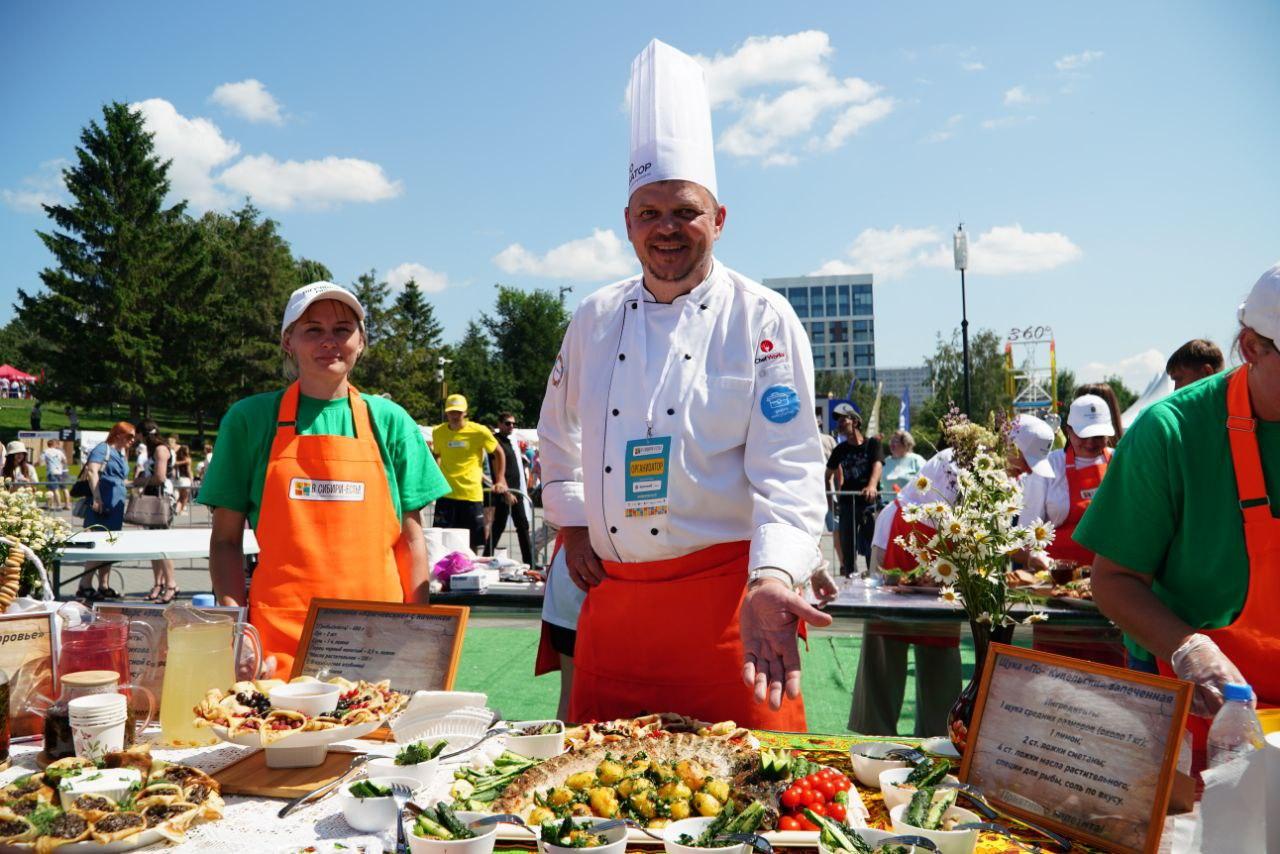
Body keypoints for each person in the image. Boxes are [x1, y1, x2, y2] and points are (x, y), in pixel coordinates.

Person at [537, 40, 829, 730]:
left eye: (686, 212)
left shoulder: (762, 317)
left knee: (740, 812)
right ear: (628, 224)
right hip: (614, 606)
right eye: (650, 213)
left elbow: (790, 464)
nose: (667, 229)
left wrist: (776, 576)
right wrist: (572, 520)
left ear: (719, 219)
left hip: (729, 609)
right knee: (599, 808)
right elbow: (558, 428)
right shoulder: (594, 317)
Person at [1078, 262, 1280, 774]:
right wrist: (1189, 648)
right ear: (1253, 347)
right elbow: (1114, 579)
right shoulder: (1171, 432)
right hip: (1203, 708)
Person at [201, 282, 449, 676]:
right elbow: (226, 541)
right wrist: (236, 628)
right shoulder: (249, 420)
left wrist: (418, 627)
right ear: (288, 341)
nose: (329, 341)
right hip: (280, 639)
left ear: (361, 341)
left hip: (379, 637)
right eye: (312, 329)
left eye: (342, 329)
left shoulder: (390, 421)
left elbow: (411, 538)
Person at [431, 395, 507, 551]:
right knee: (442, 542)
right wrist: (437, 477)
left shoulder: (479, 431)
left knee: (472, 544)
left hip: (470, 495)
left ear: (465, 412)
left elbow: (499, 453)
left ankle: (470, 573)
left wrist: (500, 479)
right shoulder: (438, 432)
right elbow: (437, 455)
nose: (454, 415)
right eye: (451, 412)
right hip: (446, 495)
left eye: (458, 412)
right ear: (446, 413)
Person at [79, 423, 136, 600]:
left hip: (115, 507)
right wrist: (97, 497)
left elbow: (120, 479)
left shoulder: (121, 453)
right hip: (102, 505)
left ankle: (104, 584)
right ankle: (85, 585)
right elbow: (92, 471)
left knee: (110, 546)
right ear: (118, 435)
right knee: (98, 545)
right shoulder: (103, 449)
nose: (132, 440)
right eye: (130, 436)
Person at [825, 409, 882, 577]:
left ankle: (874, 580)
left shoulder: (873, 444)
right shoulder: (840, 449)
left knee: (872, 545)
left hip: (869, 503)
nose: (839, 424)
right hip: (847, 504)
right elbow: (828, 475)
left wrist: (872, 485)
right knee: (848, 549)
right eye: (838, 421)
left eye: (843, 420)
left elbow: (877, 465)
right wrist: (831, 502)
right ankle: (850, 583)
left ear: (855, 422)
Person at [136, 420, 178, 603]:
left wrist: (137, 482)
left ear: (143, 434)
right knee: (153, 544)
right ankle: (158, 583)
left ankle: (171, 584)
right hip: (153, 497)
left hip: (161, 499)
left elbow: (160, 477)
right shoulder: (154, 450)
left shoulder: (161, 449)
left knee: (162, 544)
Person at [487, 412, 535, 567]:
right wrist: (506, 492)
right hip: (505, 491)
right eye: (507, 423)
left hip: (516, 491)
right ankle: (486, 558)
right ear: (499, 424)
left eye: (513, 424)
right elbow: (496, 469)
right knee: (498, 527)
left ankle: (530, 562)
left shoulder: (509, 441)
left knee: (522, 526)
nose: (511, 426)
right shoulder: (495, 442)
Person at [879, 429, 925, 503]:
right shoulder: (886, 461)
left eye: (896, 441)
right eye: (891, 441)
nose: (892, 444)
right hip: (887, 507)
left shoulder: (916, 460)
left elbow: (926, 480)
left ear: (906, 443)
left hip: (910, 506)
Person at [41, 438, 70, 510]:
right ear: (55, 444)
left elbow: (40, 460)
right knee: (62, 488)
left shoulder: (46, 451)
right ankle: (66, 504)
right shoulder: (60, 451)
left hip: (51, 472)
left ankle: (58, 505)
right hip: (60, 471)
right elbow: (65, 461)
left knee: (54, 489)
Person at [173, 444, 193, 515]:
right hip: (185, 479)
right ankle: (181, 511)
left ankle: (177, 509)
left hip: (179, 479)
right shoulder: (188, 459)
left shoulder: (177, 459)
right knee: (185, 497)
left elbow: (174, 466)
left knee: (180, 496)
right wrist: (191, 479)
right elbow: (189, 471)